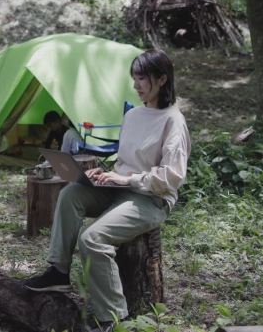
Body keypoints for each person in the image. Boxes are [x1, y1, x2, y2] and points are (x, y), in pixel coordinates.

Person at [23, 50, 191, 332]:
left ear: (162, 79)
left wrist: (128, 180)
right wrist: (105, 173)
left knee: (92, 239)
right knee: (70, 194)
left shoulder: (173, 121)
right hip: (119, 189)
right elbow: (126, 160)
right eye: (134, 78)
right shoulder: (135, 114)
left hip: (151, 199)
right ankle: (58, 271)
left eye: (142, 79)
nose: (136, 85)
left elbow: (171, 178)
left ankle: (114, 319)